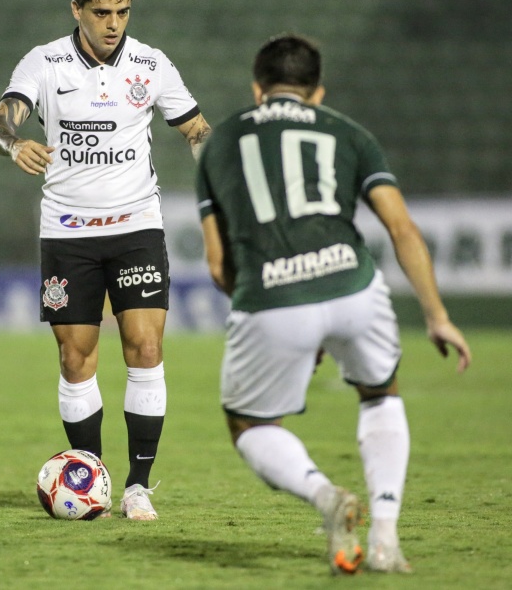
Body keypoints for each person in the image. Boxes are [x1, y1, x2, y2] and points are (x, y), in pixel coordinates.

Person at [195, 34, 471, 573]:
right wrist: (437, 316)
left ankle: (326, 499)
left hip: (272, 294)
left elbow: (216, 262)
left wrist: (281, 319)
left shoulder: (220, 143)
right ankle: (387, 537)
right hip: (353, 286)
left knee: (249, 425)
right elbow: (402, 229)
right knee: (379, 394)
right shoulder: (349, 133)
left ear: (258, 90)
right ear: (317, 93)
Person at [0, 0, 211, 521]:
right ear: (77, 10)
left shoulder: (151, 65)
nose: (114, 23)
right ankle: (90, 476)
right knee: (74, 356)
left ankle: (137, 485)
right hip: (67, 231)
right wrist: (14, 145)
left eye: (123, 11)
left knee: (146, 347)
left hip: (136, 226)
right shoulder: (45, 63)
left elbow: (197, 129)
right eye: (102, 12)